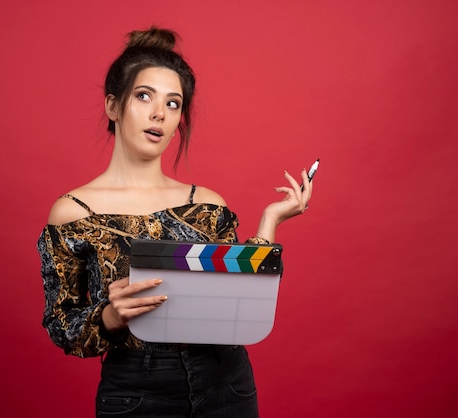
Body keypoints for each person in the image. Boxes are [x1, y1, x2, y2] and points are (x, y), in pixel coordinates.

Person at [37, 27, 313, 418]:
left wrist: (271, 222)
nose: (158, 114)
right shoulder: (73, 212)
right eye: (144, 96)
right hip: (137, 389)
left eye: (173, 103)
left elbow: (245, 304)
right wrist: (110, 316)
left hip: (225, 381)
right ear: (113, 106)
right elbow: (61, 322)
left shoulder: (206, 204)